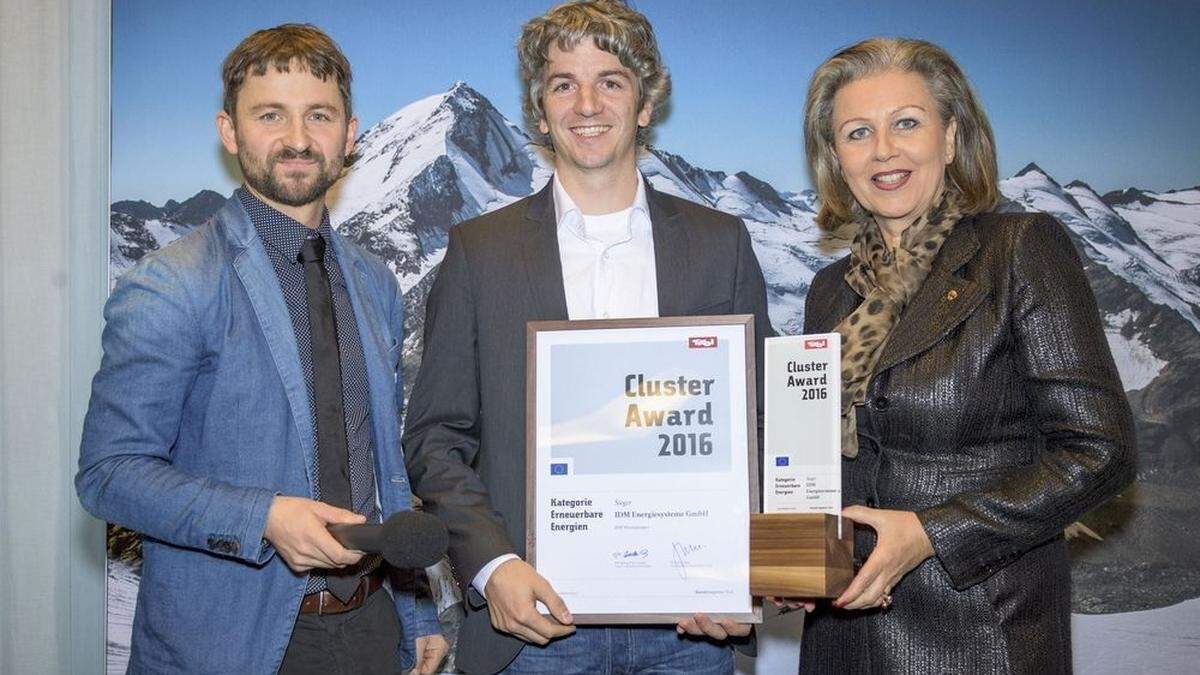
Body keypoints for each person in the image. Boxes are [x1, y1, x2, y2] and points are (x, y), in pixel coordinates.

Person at [401, 1, 773, 673]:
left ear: (646, 102)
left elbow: (762, 422)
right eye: (562, 83)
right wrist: (491, 565)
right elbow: (436, 436)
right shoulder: (478, 252)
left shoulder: (722, 245)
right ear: (539, 110)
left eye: (611, 79)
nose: (587, 103)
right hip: (533, 630)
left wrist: (748, 566)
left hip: (688, 631)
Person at [76, 24, 448, 675]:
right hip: (228, 644)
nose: (298, 139)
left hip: (371, 628)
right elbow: (109, 473)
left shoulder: (374, 283)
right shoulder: (173, 282)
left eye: (319, 116)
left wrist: (414, 610)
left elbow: (379, 460)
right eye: (270, 115)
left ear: (350, 135)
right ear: (230, 131)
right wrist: (265, 517)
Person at [795, 37, 1136, 673]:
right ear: (836, 159)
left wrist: (932, 533)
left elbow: (1101, 452)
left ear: (951, 138)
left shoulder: (1020, 251)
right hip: (842, 636)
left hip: (979, 634)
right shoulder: (828, 291)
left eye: (906, 123)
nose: (883, 150)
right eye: (857, 132)